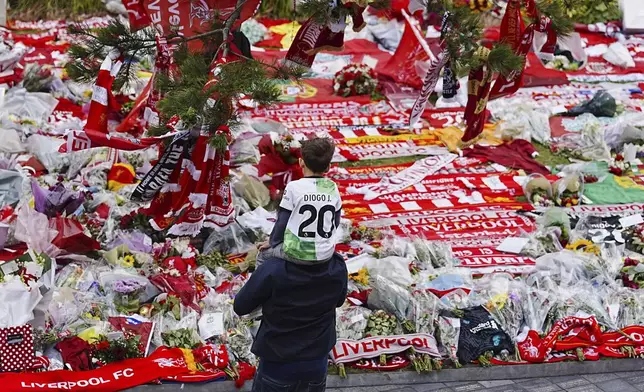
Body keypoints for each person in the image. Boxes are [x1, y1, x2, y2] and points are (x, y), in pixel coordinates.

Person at [233, 137, 347, 392]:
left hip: (278, 365)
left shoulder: (274, 270)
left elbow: (241, 306)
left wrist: (272, 246)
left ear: (301, 161)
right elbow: (339, 300)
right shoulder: (337, 268)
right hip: (317, 365)